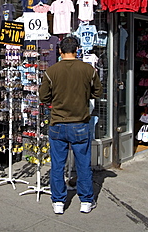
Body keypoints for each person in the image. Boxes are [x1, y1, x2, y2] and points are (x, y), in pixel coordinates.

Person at [39, 36, 103, 214]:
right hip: (80, 123)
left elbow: (43, 97)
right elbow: (98, 92)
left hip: (58, 122)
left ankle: (58, 202)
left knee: (57, 165)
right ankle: (86, 201)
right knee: (83, 164)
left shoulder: (51, 71)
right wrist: (83, 96)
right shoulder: (88, 70)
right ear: (77, 50)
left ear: (60, 51)